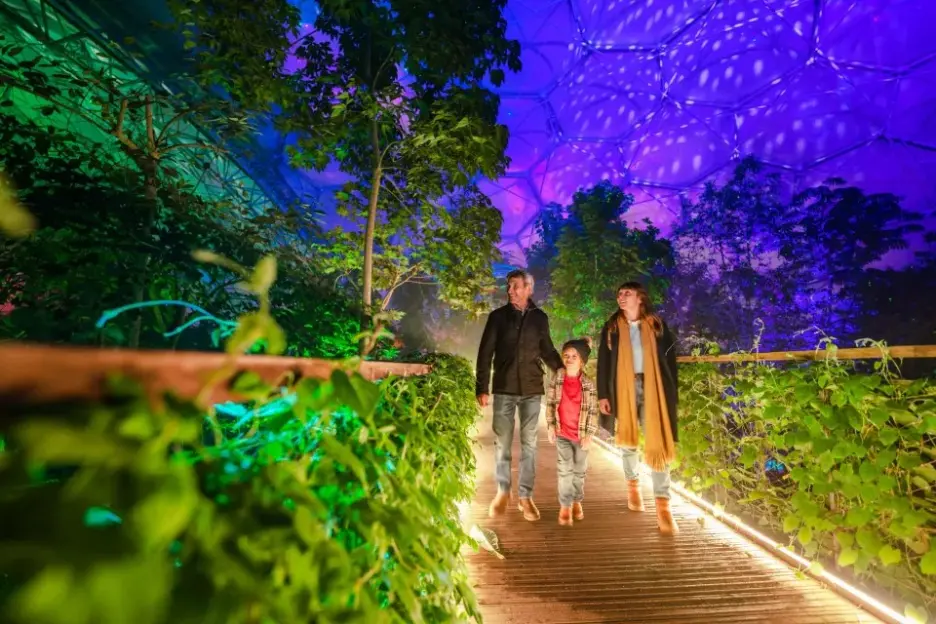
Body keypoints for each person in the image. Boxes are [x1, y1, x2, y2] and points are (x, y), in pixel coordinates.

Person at [476, 269, 563, 521]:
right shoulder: (497, 317)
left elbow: (547, 350)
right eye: (509, 286)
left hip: (532, 389)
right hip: (504, 387)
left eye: (515, 286)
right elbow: (485, 354)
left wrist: (564, 372)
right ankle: (503, 491)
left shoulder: (540, 318)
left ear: (528, 289)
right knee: (502, 443)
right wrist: (482, 387)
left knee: (530, 444)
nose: (510, 290)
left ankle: (526, 496)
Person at [597, 281, 680, 535]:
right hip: (624, 387)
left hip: (653, 387)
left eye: (627, 293)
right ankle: (633, 486)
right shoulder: (612, 327)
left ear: (640, 298)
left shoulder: (657, 325)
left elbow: (670, 361)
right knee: (628, 441)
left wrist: (672, 394)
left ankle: (663, 505)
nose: (621, 297)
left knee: (658, 439)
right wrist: (603, 395)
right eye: (619, 294)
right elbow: (603, 363)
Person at [545, 337, 599, 526]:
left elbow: (593, 411)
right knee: (565, 470)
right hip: (563, 434)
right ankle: (565, 506)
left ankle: (577, 501)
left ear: (582, 361)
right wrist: (551, 426)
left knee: (579, 471)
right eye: (566, 355)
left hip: (581, 436)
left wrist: (589, 435)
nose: (569, 359)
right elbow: (550, 403)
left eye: (574, 356)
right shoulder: (557, 378)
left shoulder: (588, 384)